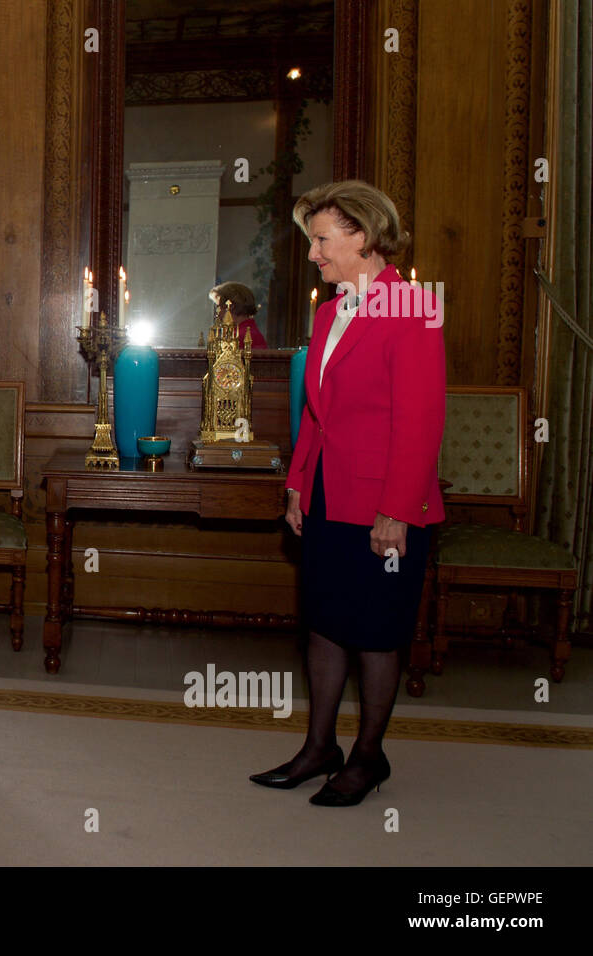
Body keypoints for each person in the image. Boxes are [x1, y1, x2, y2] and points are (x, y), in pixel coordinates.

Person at [250, 179, 445, 806]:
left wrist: (396, 510)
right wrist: (296, 486)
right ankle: (319, 748)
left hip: (386, 506)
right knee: (326, 626)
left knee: (377, 633)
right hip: (330, 497)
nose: (313, 253)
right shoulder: (331, 312)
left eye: (322, 240)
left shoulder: (412, 307)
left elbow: (420, 420)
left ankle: (368, 757)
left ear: (361, 237)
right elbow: (318, 414)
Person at [209, 281, 267, 348]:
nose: (216, 312)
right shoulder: (249, 332)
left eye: (218, 306)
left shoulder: (239, 337)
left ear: (230, 306)